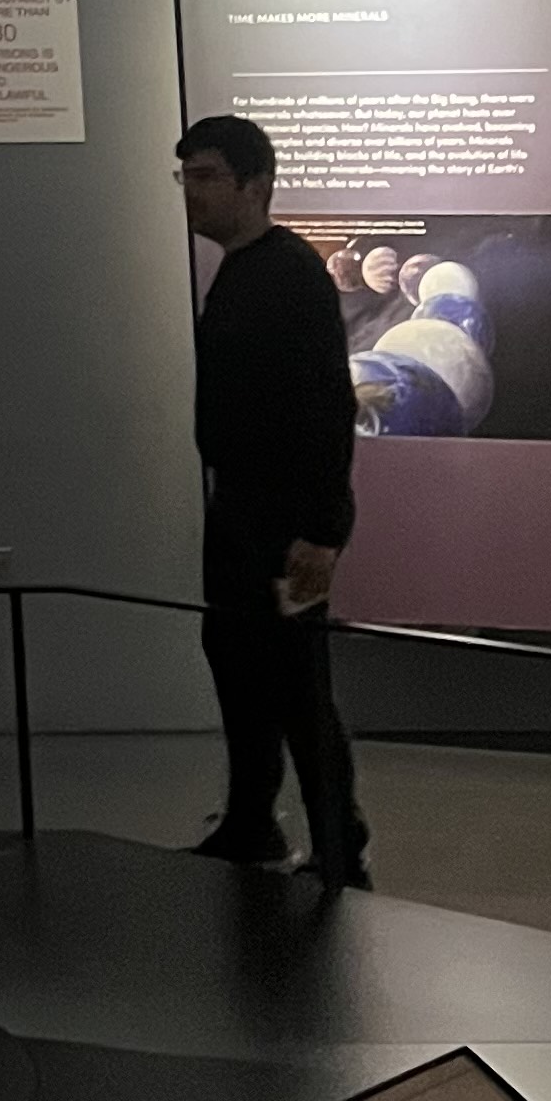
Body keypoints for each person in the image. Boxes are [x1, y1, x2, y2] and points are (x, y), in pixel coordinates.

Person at [177, 113, 368, 889]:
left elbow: (327, 407)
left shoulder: (289, 275)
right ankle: (251, 822)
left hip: (285, 522)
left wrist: (322, 531)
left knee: (295, 683)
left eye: (207, 177)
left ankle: (337, 840)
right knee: (237, 662)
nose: (191, 193)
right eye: (185, 176)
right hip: (242, 510)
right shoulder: (245, 269)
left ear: (256, 186)